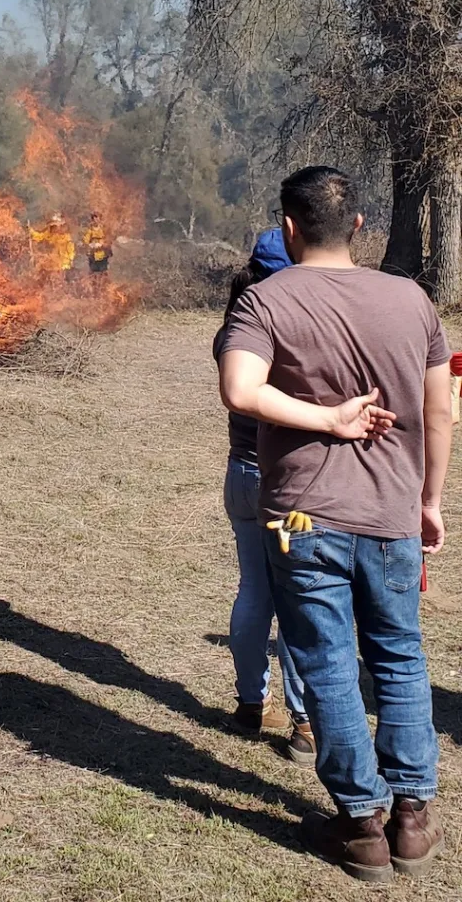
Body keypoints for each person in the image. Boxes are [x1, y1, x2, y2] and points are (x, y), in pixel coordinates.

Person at [218, 166, 453, 883]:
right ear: (357, 226)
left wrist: (322, 418)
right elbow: (439, 410)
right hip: (391, 514)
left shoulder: (264, 298)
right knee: (401, 656)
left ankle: (361, 825)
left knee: (324, 662)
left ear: (288, 226)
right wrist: (430, 500)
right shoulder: (412, 300)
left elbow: (240, 388)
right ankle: (411, 819)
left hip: (301, 516)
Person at [213, 229, 311, 761]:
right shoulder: (292, 330)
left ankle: (251, 703)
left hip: (240, 475)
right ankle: (304, 724)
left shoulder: (232, 328)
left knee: (254, 591)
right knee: (298, 598)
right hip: (287, 485)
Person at [30, 213, 76, 281]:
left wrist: (69, 261)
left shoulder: (67, 238)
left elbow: (71, 251)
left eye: (55, 226)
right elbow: (40, 236)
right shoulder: (52, 235)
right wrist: (31, 231)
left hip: (64, 264)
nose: (53, 228)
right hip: (54, 262)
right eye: (53, 226)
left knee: (61, 280)